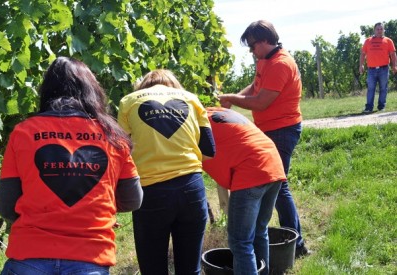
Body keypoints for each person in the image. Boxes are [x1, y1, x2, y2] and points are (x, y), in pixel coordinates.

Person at [0, 57, 143, 275]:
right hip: (90, 256)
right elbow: (133, 200)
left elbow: (6, 205)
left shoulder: (23, 132)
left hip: (29, 256)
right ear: (92, 89)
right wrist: (93, 206)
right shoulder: (113, 136)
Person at [218, 20, 310, 258]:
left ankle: (297, 244)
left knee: (278, 187)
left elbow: (261, 101)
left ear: (265, 40)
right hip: (270, 129)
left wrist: (231, 99)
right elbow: (256, 85)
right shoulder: (266, 60)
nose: (251, 50)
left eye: (252, 45)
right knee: (278, 186)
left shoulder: (281, 64)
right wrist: (236, 96)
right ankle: (294, 242)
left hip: (282, 130)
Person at [117, 69, 215, 275]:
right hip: (192, 189)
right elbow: (209, 150)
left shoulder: (129, 101)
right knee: (190, 270)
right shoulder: (192, 99)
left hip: (151, 194)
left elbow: (121, 153)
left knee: (153, 269)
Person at [203, 107, 285, 275]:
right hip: (273, 165)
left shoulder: (193, 122)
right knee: (259, 231)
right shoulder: (214, 111)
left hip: (251, 171)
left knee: (240, 241)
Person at [359, 22, 397, 113]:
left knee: (383, 88)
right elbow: (363, 54)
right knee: (371, 88)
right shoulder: (368, 41)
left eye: (381, 29)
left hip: (384, 69)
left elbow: (393, 54)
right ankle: (369, 107)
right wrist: (361, 65)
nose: (379, 31)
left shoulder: (388, 41)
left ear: (383, 30)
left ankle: (381, 106)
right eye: (378, 29)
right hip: (371, 70)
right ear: (374, 30)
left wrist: (395, 65)